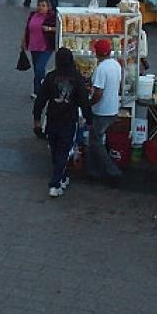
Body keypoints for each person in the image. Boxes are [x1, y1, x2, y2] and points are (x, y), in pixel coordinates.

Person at [33, 48, 93, 198]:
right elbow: (84, 101)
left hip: (52, 118)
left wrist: (37, 119)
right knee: (64, 151)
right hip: (68, 120)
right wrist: (89, 119)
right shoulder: (77, 79)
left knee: (55, 150)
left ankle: (60, 178)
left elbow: (40, 99)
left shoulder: (51, 77)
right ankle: (57, 181)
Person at [87, 39, 122, 183]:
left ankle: (111, 171)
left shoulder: (101, 69)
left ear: (97, 53)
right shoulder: (116, 65)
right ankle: (93, 170)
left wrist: (89, 104)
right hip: (113, 108)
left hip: (102, 111)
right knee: (97, 140)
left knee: (95, 141)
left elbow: (98, 93)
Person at [22, 0, 56, 98]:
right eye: (39, 5)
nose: (41, 7)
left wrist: (49, 28)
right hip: (34, 46)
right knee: (37, 69)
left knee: (39, 67)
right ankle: (40, 87)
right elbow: (27, 28)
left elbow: (58, 28)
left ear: (48, 7)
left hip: (46, 47)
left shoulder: (51, 17)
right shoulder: (33, 15)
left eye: (43, 6)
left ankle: (39, 91)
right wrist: (23, 41)